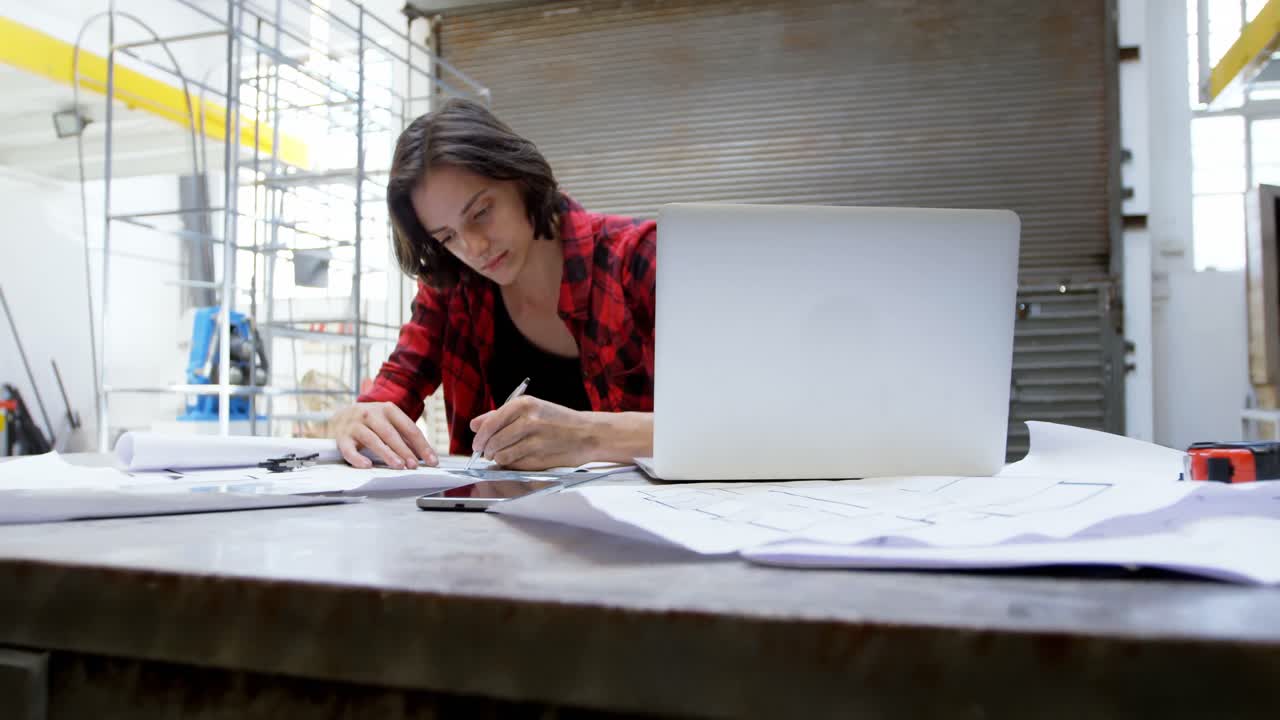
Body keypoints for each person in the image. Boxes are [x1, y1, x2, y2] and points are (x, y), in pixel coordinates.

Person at [330, 98, 656, 471]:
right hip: (491, 523)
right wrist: (355, 418)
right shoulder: (451, 288)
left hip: (648, 521)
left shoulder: (640, 258)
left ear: (519, 177)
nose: (473, 248)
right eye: (447, 237)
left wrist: (588, 435)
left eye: (481, 213)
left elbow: (727, 422)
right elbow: (392, 390)